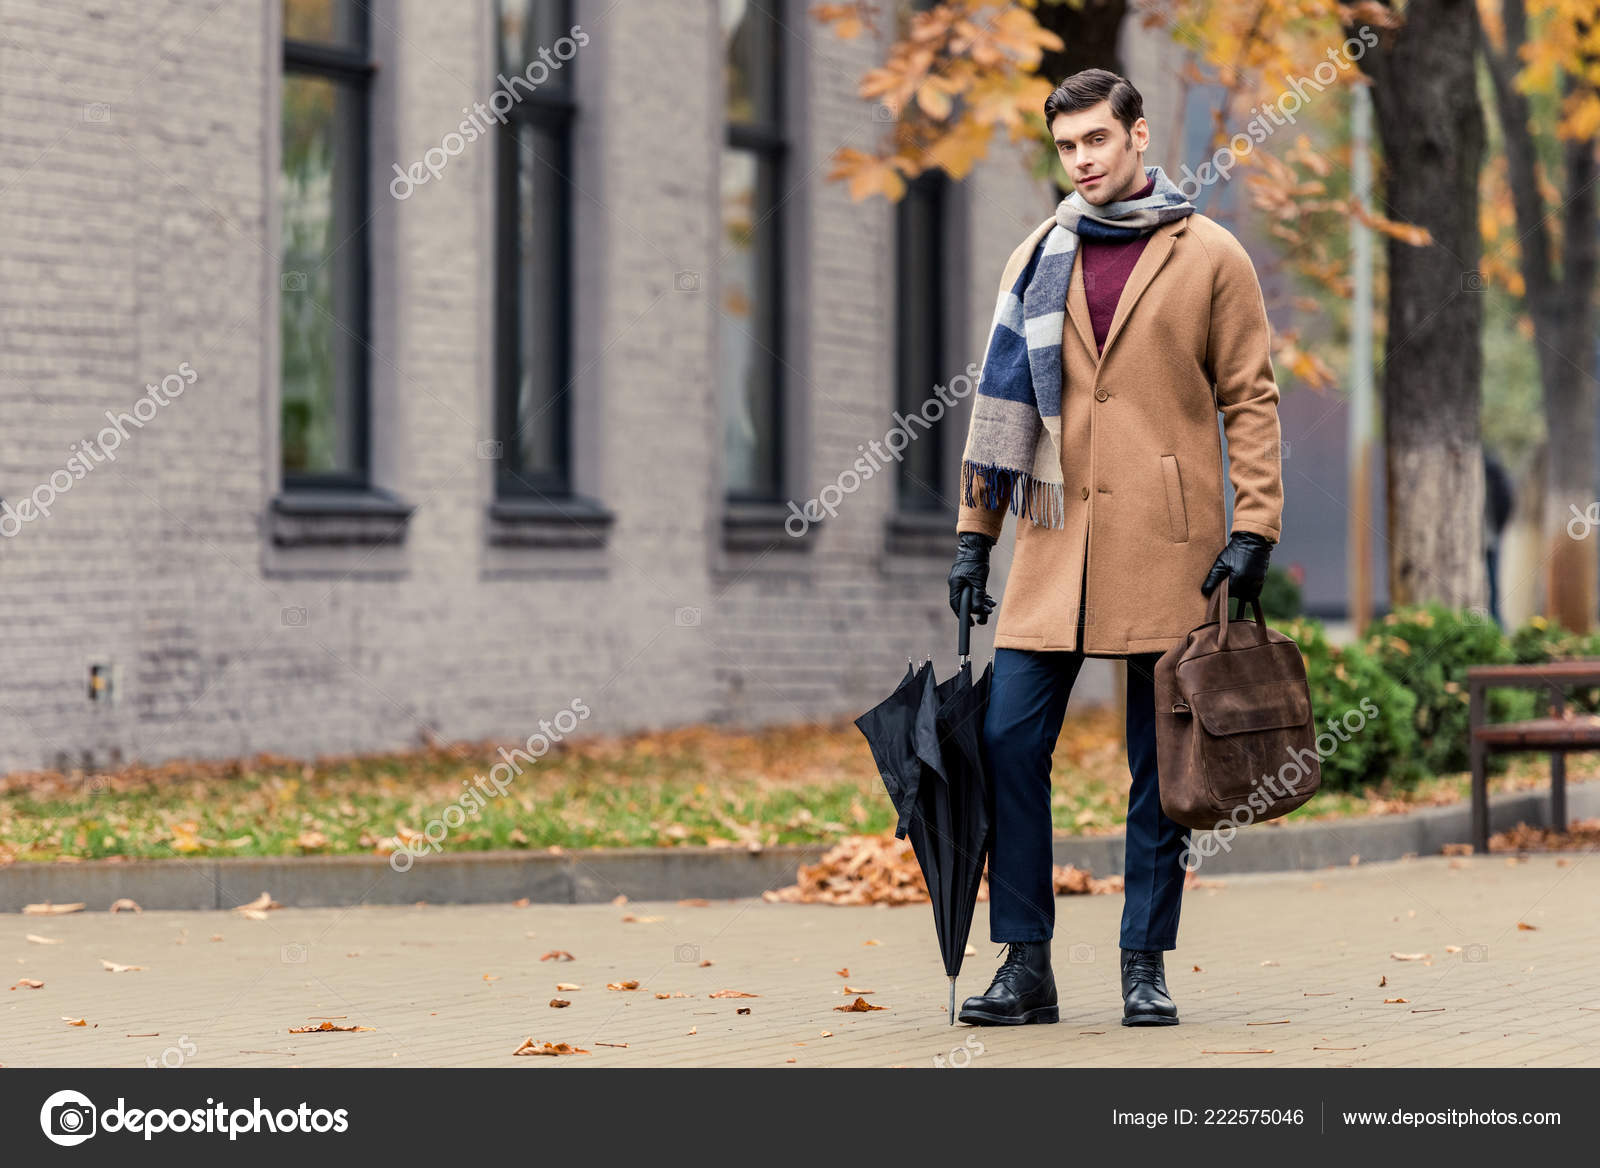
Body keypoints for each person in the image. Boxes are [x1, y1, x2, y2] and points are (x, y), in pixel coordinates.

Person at [946, 69, 1283, 1027]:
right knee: (1010, 742)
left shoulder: (1210, 254)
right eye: (1066, 146)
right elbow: (998, 411)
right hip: (1052, 543)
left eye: (1097, 139)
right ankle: (1026, 962)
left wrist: (1255, 526)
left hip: (1169, 541)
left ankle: (1144, 961)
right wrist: (975, 540)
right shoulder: (1034, 256)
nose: (1082, 160)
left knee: (1160, 761)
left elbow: (1250, 400)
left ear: (1136, 135)